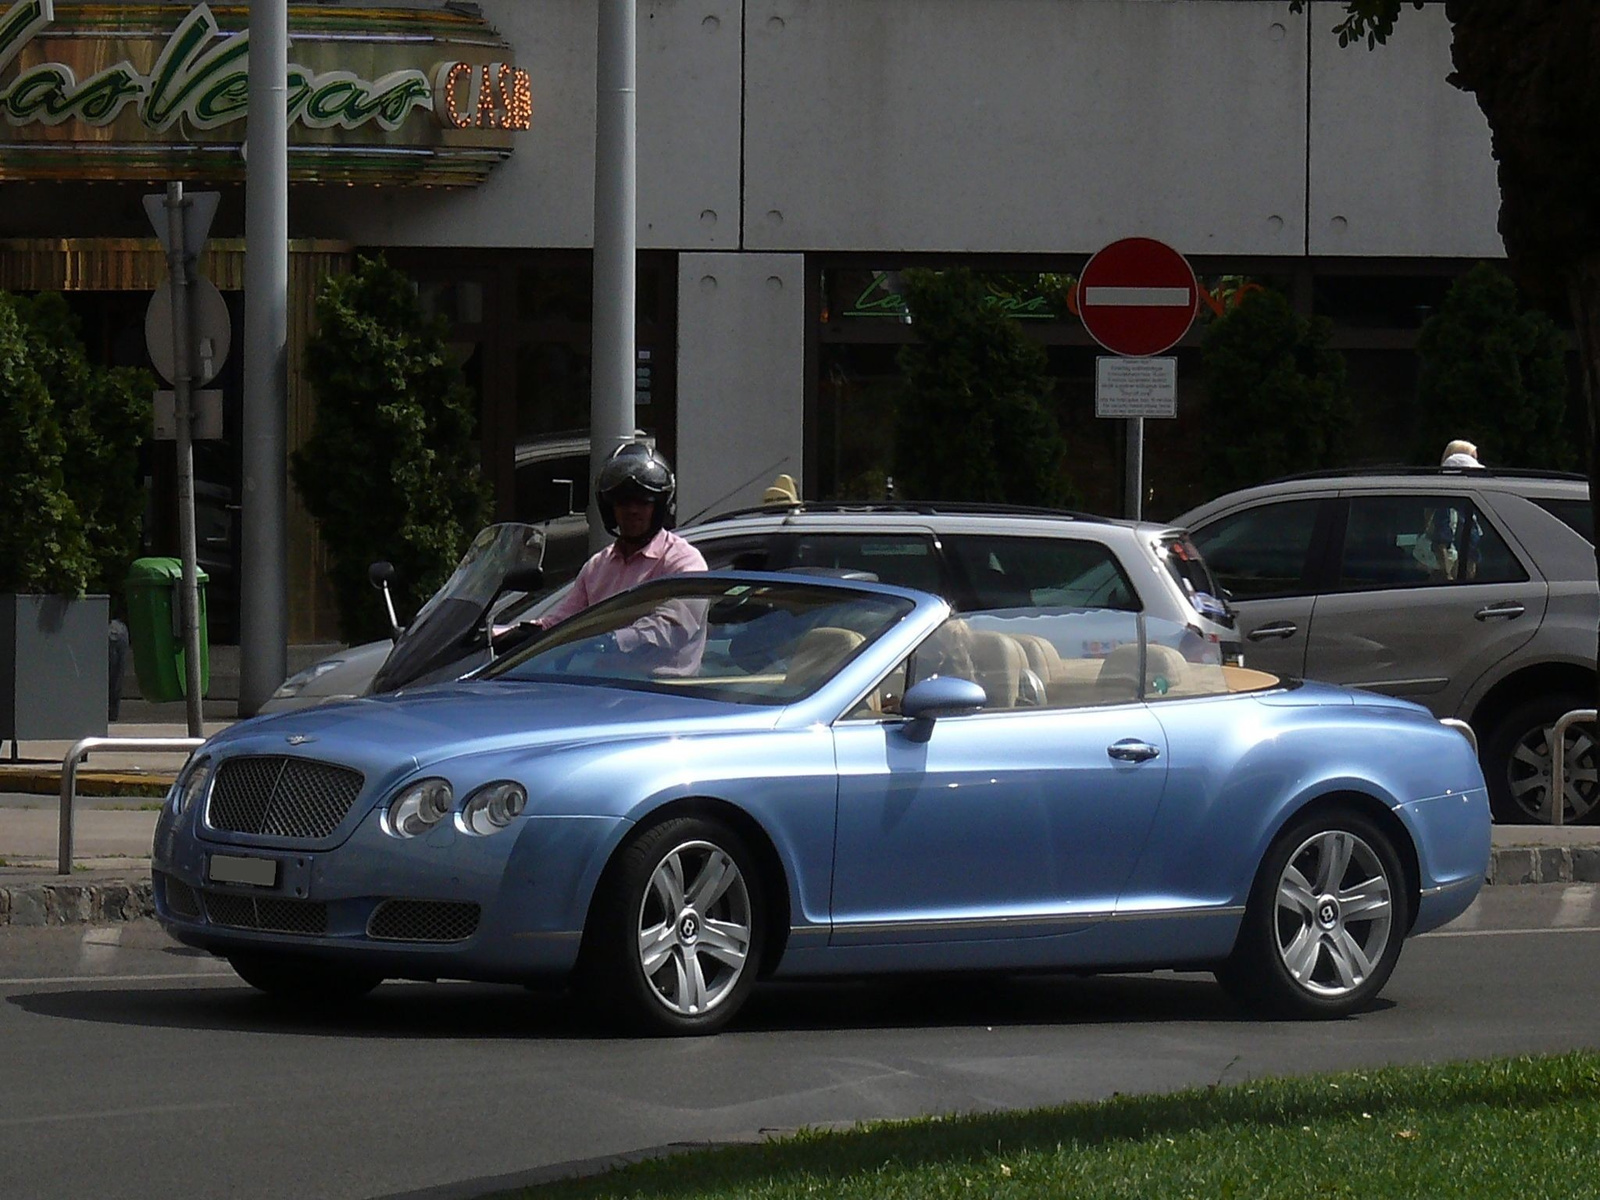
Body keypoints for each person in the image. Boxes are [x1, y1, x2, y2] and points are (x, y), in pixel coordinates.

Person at [503, 442, 708, 665]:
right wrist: (513, 634)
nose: (632, 510)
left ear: (659, 506)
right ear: (609, 508)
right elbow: (563, 621)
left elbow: (670, 629)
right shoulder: (598, 566)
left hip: (659, 692)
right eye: (623, 502)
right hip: (599, 688)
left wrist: (608, 641)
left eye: (643, 501)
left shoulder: (684, 562)